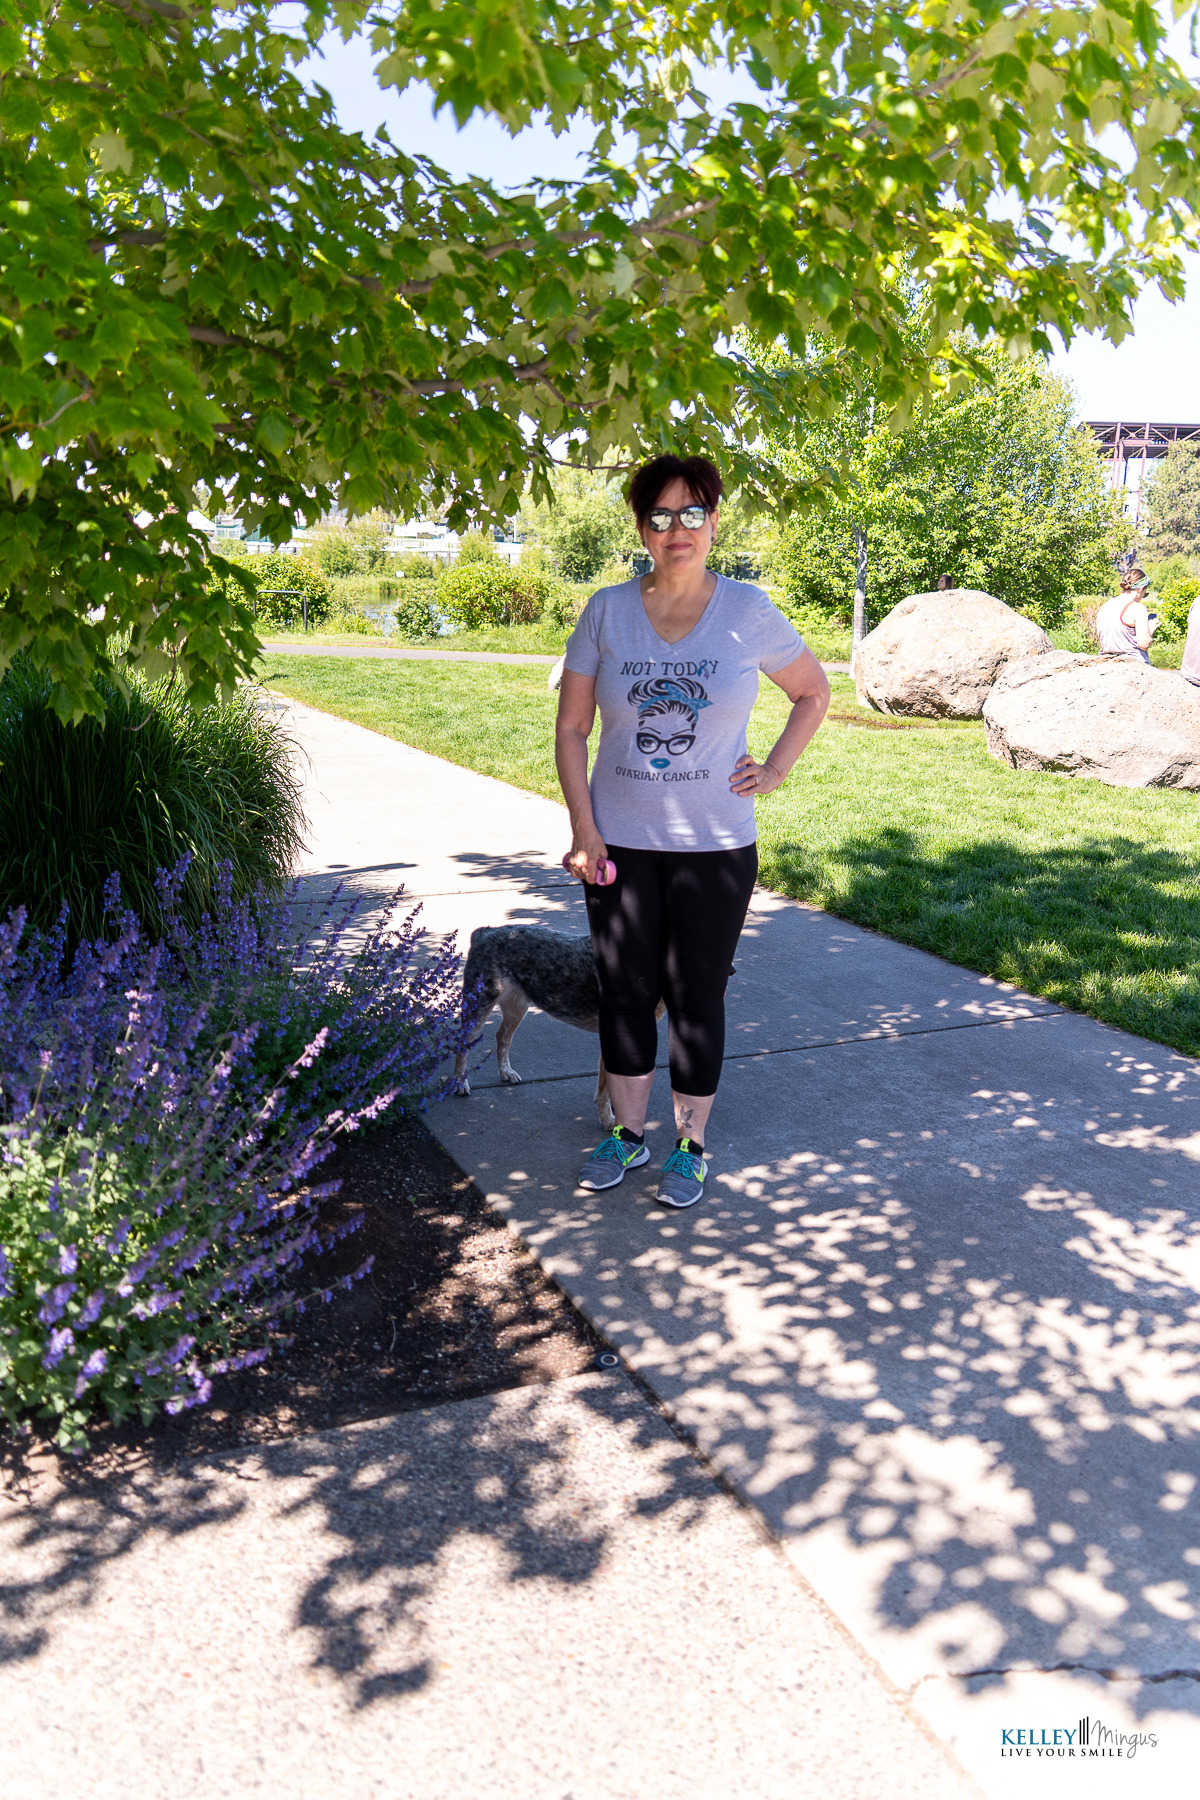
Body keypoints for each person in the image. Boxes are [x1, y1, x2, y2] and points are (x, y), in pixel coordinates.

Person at [554, 454, 830, 1209]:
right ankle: (627, 1135)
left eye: (693, 513)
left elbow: (812, 691)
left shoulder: (748, 611)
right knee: (624, 992)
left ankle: (690, 1145)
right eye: (660, 516)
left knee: (696, 994)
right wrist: (586, 829)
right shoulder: (606, 611)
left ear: (714, 520)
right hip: (619, 843)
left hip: (715, 847)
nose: (678, 530)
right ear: (640, 527)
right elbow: (573, 728)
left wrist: (772, 770)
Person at [1095, 568, 1157, 661]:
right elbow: (1144, 644)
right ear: (1141, 589)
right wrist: (1150, 630)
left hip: (1105, 660)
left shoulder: (1106, 605)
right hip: (1132, 662)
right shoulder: (1138, 608)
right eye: (1145, 593)